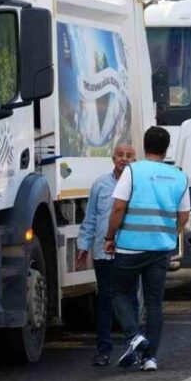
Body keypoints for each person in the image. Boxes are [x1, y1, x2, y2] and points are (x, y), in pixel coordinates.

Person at [105, 127, 189, 373]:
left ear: (144, 146)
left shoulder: (133, 171)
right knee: (154, 303)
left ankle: (133, 335)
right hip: (159, 249)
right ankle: (150, 358)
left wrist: (110, 236)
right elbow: (184, 215)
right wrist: (170, 234)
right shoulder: (178, 176)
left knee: (117, 292)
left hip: (130, 246)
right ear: (166, 148)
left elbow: (118, 208)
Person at [76, 144, 136, 366]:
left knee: (130, 299)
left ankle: (133, 346)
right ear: (113, 158)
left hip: (129, 251)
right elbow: (91, 218)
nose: (124, 159)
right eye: (120, 155)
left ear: (135, 160)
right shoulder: (100, 185)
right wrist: (83, 246)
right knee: (105, 300)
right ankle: (103, 349)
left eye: (129, 156)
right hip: (103, 253)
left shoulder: (137, 185)